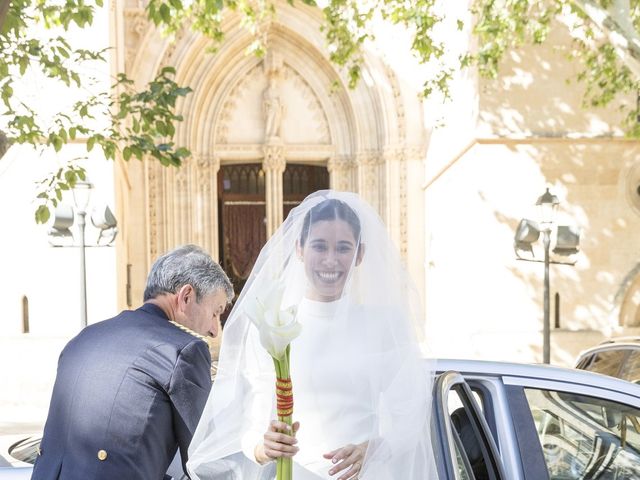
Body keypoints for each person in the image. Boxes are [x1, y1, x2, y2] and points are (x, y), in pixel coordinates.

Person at [187, 191, 440, 479]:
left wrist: (373, 448)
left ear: (359, 254)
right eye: (320, 246)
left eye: (343, 248)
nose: (330, 260)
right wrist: (263, 448)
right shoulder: (273, 325)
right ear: (299, 249)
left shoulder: (382, 326)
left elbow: (411, 415)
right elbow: (250, 423)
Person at [31, 244, 234, 480]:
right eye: (215, 313)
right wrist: (258, 452)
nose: (214, 330)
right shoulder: (183, 350)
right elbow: (205, 459)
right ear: (186, 297)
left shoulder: (83, 338)